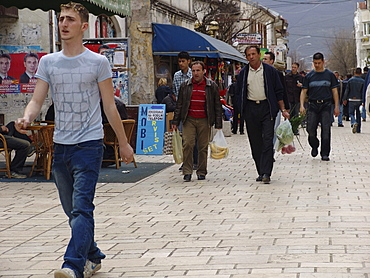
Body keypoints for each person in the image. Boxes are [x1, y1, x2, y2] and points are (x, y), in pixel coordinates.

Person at [16, 2, 134, 278]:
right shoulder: (48, 62)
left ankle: (73, 265)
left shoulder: (98, 62)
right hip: (61, 146)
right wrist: (26, 117)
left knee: (82, 208)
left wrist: (124, 143)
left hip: (89, 145)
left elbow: (109, 106)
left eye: (69, 19)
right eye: (60, 19)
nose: (63, 24)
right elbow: (37, 99)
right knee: (72, 211)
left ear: (83, 27)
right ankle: (92, 255)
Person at [235, 46, 289, 184]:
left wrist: (283, 109)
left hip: (267, 108)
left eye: (253, 54)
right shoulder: (243, 73)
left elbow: (279, 91)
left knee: (267, 140)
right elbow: (239, 93)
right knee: (255, 142)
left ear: (259, 55)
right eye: (248, 55)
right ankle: (260, 170)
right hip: (251, 109)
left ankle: (266, 172)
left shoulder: (270, 71)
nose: (251, 57)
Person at [172, 61, 223, 182]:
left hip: (205, 119)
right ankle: (187, 171)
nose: (196, 73)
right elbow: (179, 104)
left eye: (198, 70)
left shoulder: (211, 86)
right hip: (188, 119)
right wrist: (175, 121)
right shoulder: (186, 85)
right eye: (194, 71)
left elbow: (217, 105)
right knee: (188, 144)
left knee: (202, 146)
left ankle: (201, 171)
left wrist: (218, 123)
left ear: (204, 71)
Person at [299, 52, 340, 162]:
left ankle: (325, 153)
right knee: (310, 129)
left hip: (326, 105)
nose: (317, 65)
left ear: (323, 62)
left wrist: (336, 106)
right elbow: (303, 91)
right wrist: (302, 105)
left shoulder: (330, 75)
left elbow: (335, 91)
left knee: (326, 130)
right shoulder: (309, 76)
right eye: (315, 63)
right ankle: (314, 144)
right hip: (313, 105)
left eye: (319, 63)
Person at [342, 67, 365, 133]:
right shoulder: (363, 81)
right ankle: (358, 129)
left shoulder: (350, 81)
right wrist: (363, 101)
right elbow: (363, 92)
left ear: (354, 72)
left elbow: (347, 90)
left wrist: (345, 99)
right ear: (361, 73)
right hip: (359, 99)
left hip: (351, 99)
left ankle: (353, 122)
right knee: (358, 114)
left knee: (351, 113)